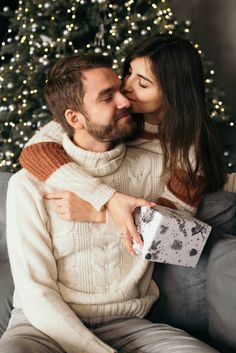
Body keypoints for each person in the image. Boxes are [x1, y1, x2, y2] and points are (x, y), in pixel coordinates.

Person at [1, 50, 220, 353]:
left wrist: (102, 214)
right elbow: (37, 293)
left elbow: (185, 245)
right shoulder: (29, 182)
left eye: (131, 87)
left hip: (129, 323)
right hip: (42, 327)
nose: (126, 99)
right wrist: (109, 199)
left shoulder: (167, 162)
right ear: (74, 118)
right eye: (108, 96)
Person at [19, 35, 236, 254]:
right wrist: (107, 198)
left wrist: (99, 214)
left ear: (173, 94)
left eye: (143, 83)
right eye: (129, 73)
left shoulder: (187, 150)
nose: (126, 87)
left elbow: (172, 235)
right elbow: (34, 152)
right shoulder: (109, 113)